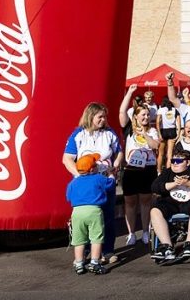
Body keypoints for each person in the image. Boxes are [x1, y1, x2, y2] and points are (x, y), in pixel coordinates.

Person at [63, 102, 122, 264]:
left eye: (104, 117)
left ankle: (108, 250)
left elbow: (119, 152)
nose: (103, 120)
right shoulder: (78, 134)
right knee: (86, 217)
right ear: (91, 116)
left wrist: (114, 168)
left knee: (107, 216)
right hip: (85, 184)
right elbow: (67, 158)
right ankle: (86, 252)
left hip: (104, 181)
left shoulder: (109, 133)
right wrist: (80, 175)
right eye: (100, 117)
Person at [149, 149, 190, 261]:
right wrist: (174, 184)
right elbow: (154, 187)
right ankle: (167, 246)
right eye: (173, 161)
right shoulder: (167, 172)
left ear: (187, 162)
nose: (175, 163)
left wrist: (188, 183)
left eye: (178, 161)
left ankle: (189, 244)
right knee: (154, 211)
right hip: (171, 203)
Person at [119, 90, 160, 247]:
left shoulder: (152, 130)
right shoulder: (128, 128)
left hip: (148, 170)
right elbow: (122, 111)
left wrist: (146, 134)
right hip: (131, 170)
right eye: (142, 115)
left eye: (147, 115)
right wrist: (129, 93)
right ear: (135, 116)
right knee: (129, 202)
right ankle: (130, 233)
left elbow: (155, 146)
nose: (145, 117)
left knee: (145, 201)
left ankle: (144, 231)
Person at [66, 154, 116, 275]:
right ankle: (94, 262)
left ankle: (79, 263)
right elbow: (111, 184)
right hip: (94, 210)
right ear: (92, 169)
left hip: (77, 212)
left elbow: (68, 197)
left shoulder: (73, 182)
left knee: (79, 240)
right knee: (96, 238)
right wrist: (111, 174)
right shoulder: (98, 178)